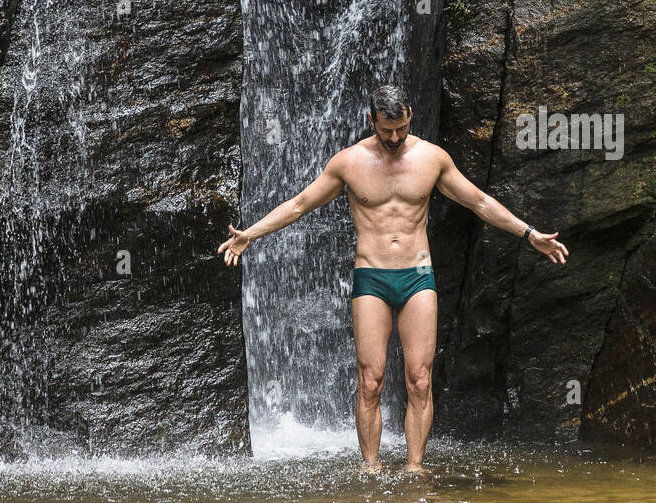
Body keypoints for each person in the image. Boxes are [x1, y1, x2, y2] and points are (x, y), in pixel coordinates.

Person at [217, 84, 568, 472]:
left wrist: (528, 232)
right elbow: (299, 204)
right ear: (372, 121)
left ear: (409, 117)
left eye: (401, 128)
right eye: (386, 130)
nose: (395, 138)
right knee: (371, 380)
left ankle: (415, 467)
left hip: (418, 277)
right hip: (371, 278)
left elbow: (479, 201)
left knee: (419, 378)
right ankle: (371, 468)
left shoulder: (432, 159)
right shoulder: (348, 163)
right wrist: (251, 233)